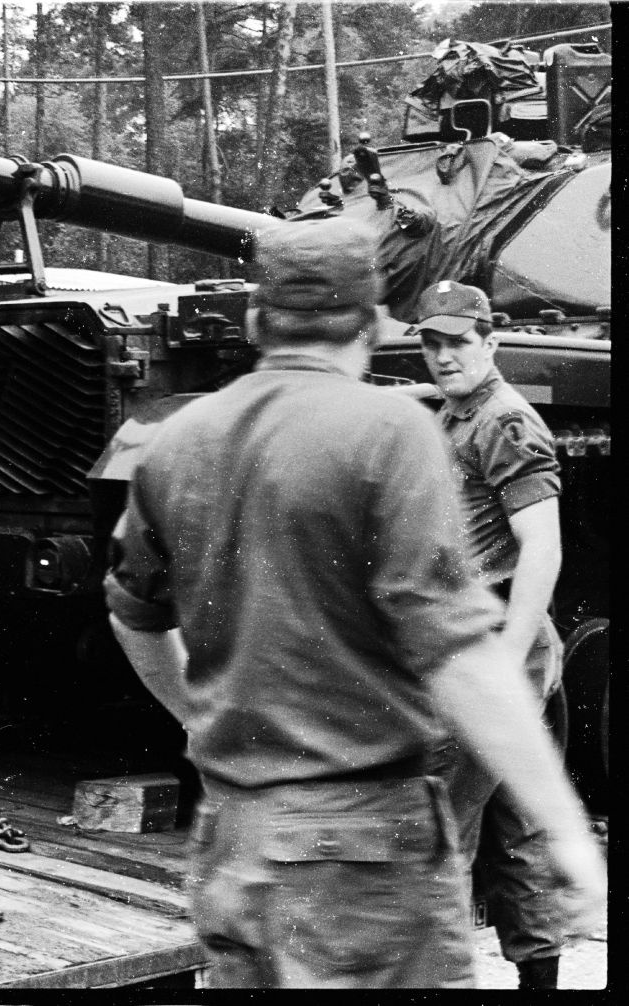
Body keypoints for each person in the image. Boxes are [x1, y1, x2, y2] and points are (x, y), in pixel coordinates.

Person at [102, 216, 604, 988]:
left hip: (235, 839)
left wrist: (201, 716)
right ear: (372, 325)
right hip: (369, 854)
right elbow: (454, 649)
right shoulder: (393, 430)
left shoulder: (177, 439)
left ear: (251, 321)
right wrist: (568, 828)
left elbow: (133, 616)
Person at [410, 280, 568, 990]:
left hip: (489, 646)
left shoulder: (502, 420)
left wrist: (507, 662)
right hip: (488, 639)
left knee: (437, 831)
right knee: (515, 832)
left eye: (459, 342)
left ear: (491, 342)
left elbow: (542, 546)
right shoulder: (458, 415)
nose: (445, 356)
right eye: (433, 343)